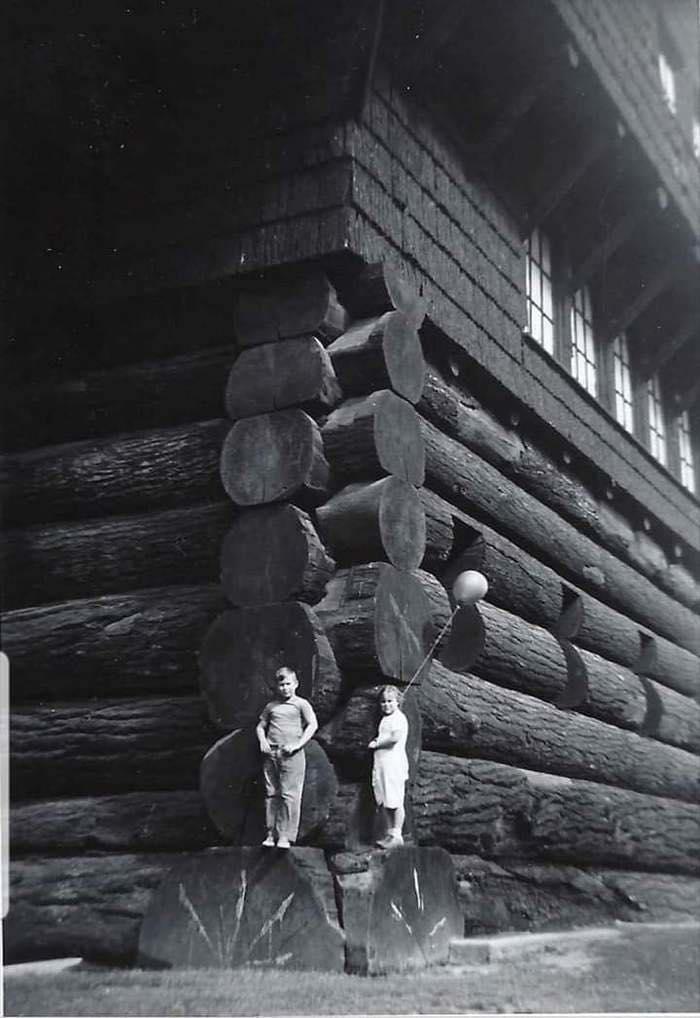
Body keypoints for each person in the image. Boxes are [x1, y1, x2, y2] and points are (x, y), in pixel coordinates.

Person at [255, 666, 318, 849]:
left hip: (291, 754)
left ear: (296, 684)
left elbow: (312, 725)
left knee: (289, 795)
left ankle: (285, 836)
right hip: (271, 753)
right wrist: (262, 742)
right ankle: (270, 834)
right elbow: (260, 726)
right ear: (277, 686)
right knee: (271, 793)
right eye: (281, 685)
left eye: (288, 684)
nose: (285, 688)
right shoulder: (271, 706)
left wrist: (298, 744)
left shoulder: (301, 704)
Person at [368, 684, 409, 849]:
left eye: (390, 701)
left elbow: (394, 737)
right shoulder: (385, 719)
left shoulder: (399, 718)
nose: (387, 705)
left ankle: (398, 834)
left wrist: (377, 743)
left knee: (396, 800)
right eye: (384, 702)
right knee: (384, 800)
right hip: (382, 764)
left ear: (397, 701)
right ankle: (390, 833)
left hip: (394, 764)